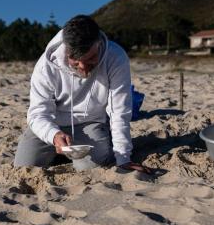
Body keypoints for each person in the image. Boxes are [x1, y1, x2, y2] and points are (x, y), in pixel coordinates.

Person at [14, 15, 150, 173]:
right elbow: (37, 113)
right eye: (76, 61)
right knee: (24, 167)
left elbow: (119, 111)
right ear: (66, 50)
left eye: (91, 58)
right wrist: (53, 135)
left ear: (99, 43)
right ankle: (59, 151)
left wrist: (123, 158)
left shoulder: (115, 58)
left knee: (90, 168)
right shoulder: (46, 65)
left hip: (91, 122)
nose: (84, 68)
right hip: (53, 123)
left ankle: (98, 145)